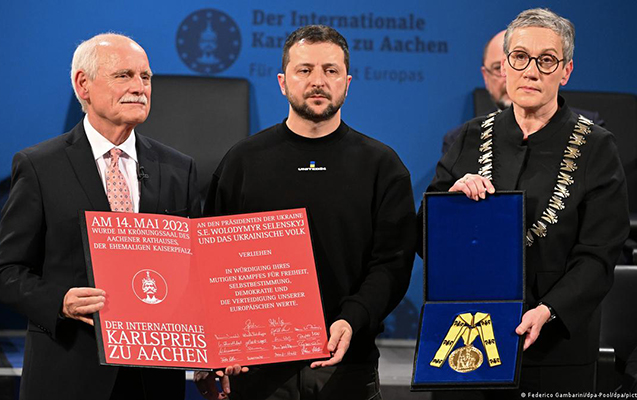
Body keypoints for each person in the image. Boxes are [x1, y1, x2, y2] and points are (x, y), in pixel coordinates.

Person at [204, 25, 416, 400]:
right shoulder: (242, 162)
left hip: (348, 365)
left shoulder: (382, 166)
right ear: (282, 82)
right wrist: (220, 343)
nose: (318, 81)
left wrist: (352, 318)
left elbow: (392, 265)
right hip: (258, 369)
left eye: (330, 70)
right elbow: (213, 263)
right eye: (305, 70)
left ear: (347, 83)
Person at [425, 8, 629, 395]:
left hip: (555, 346)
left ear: (566, 71)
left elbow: (599, 255)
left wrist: (550, 310)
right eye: (519, 57)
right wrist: (452, 208)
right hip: (466, 340)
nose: (531, 71)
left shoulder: (597, 148)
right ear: (504, 65)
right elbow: (425, 239)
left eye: (546, 60)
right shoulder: (467, 138)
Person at [0, 33, 209, 400]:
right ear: (84, 84)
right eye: (124, 75)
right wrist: (59, 301)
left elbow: (200, 273)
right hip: (67, 375)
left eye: (146, 77)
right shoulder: (39, 166)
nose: (140, 88)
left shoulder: (179, 169)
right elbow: (7, 269)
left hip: (152, 380)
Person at [441, 30, 603, 155]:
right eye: (498, 68)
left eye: (544, 60)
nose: (510, 75)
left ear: (565, 71)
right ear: (486, 76)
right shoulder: (462, 140)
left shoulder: (588, 131)